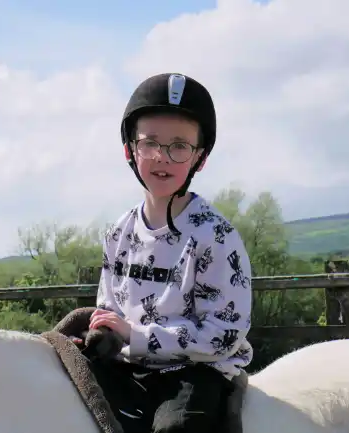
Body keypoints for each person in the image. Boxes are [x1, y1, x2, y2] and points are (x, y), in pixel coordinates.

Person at [87, 73, 253, 433]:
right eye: (150, 144)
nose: (162, 158)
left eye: (179, 146)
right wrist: (104, 335)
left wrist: (135, 334)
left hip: (196, 371)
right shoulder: (119, 233)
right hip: (129, 366)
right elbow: (109, 310)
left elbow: (224, 333)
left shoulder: (216, 237)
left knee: (176, 430)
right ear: (130, 150)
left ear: (200, 158)